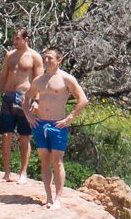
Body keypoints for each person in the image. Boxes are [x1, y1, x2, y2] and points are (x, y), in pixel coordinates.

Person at [24, 48, 88, 208]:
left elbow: (83, 99)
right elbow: (26, 97)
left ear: (59, 60)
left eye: (50, 58)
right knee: (44, 160)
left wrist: (70, 117)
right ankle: (48, 197)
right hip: (40, 123)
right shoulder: (39, 80)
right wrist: (28, 115)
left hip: (58, 124)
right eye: (45, 58)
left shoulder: (66, 78)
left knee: (57, 161)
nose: (46, 61)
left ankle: (58, 198)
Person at [0, 27, 43, 181]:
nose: (15, 41)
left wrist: (36, 100)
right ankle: (7, 172)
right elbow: (3, 76)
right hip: (9, 96)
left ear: (26, 39)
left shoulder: (35, 57)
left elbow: (39, 80)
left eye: (18, 38)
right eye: (14, 38)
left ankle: (23, 172)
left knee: (24, 137)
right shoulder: (10, 55)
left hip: (25, 98)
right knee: (6, 134)